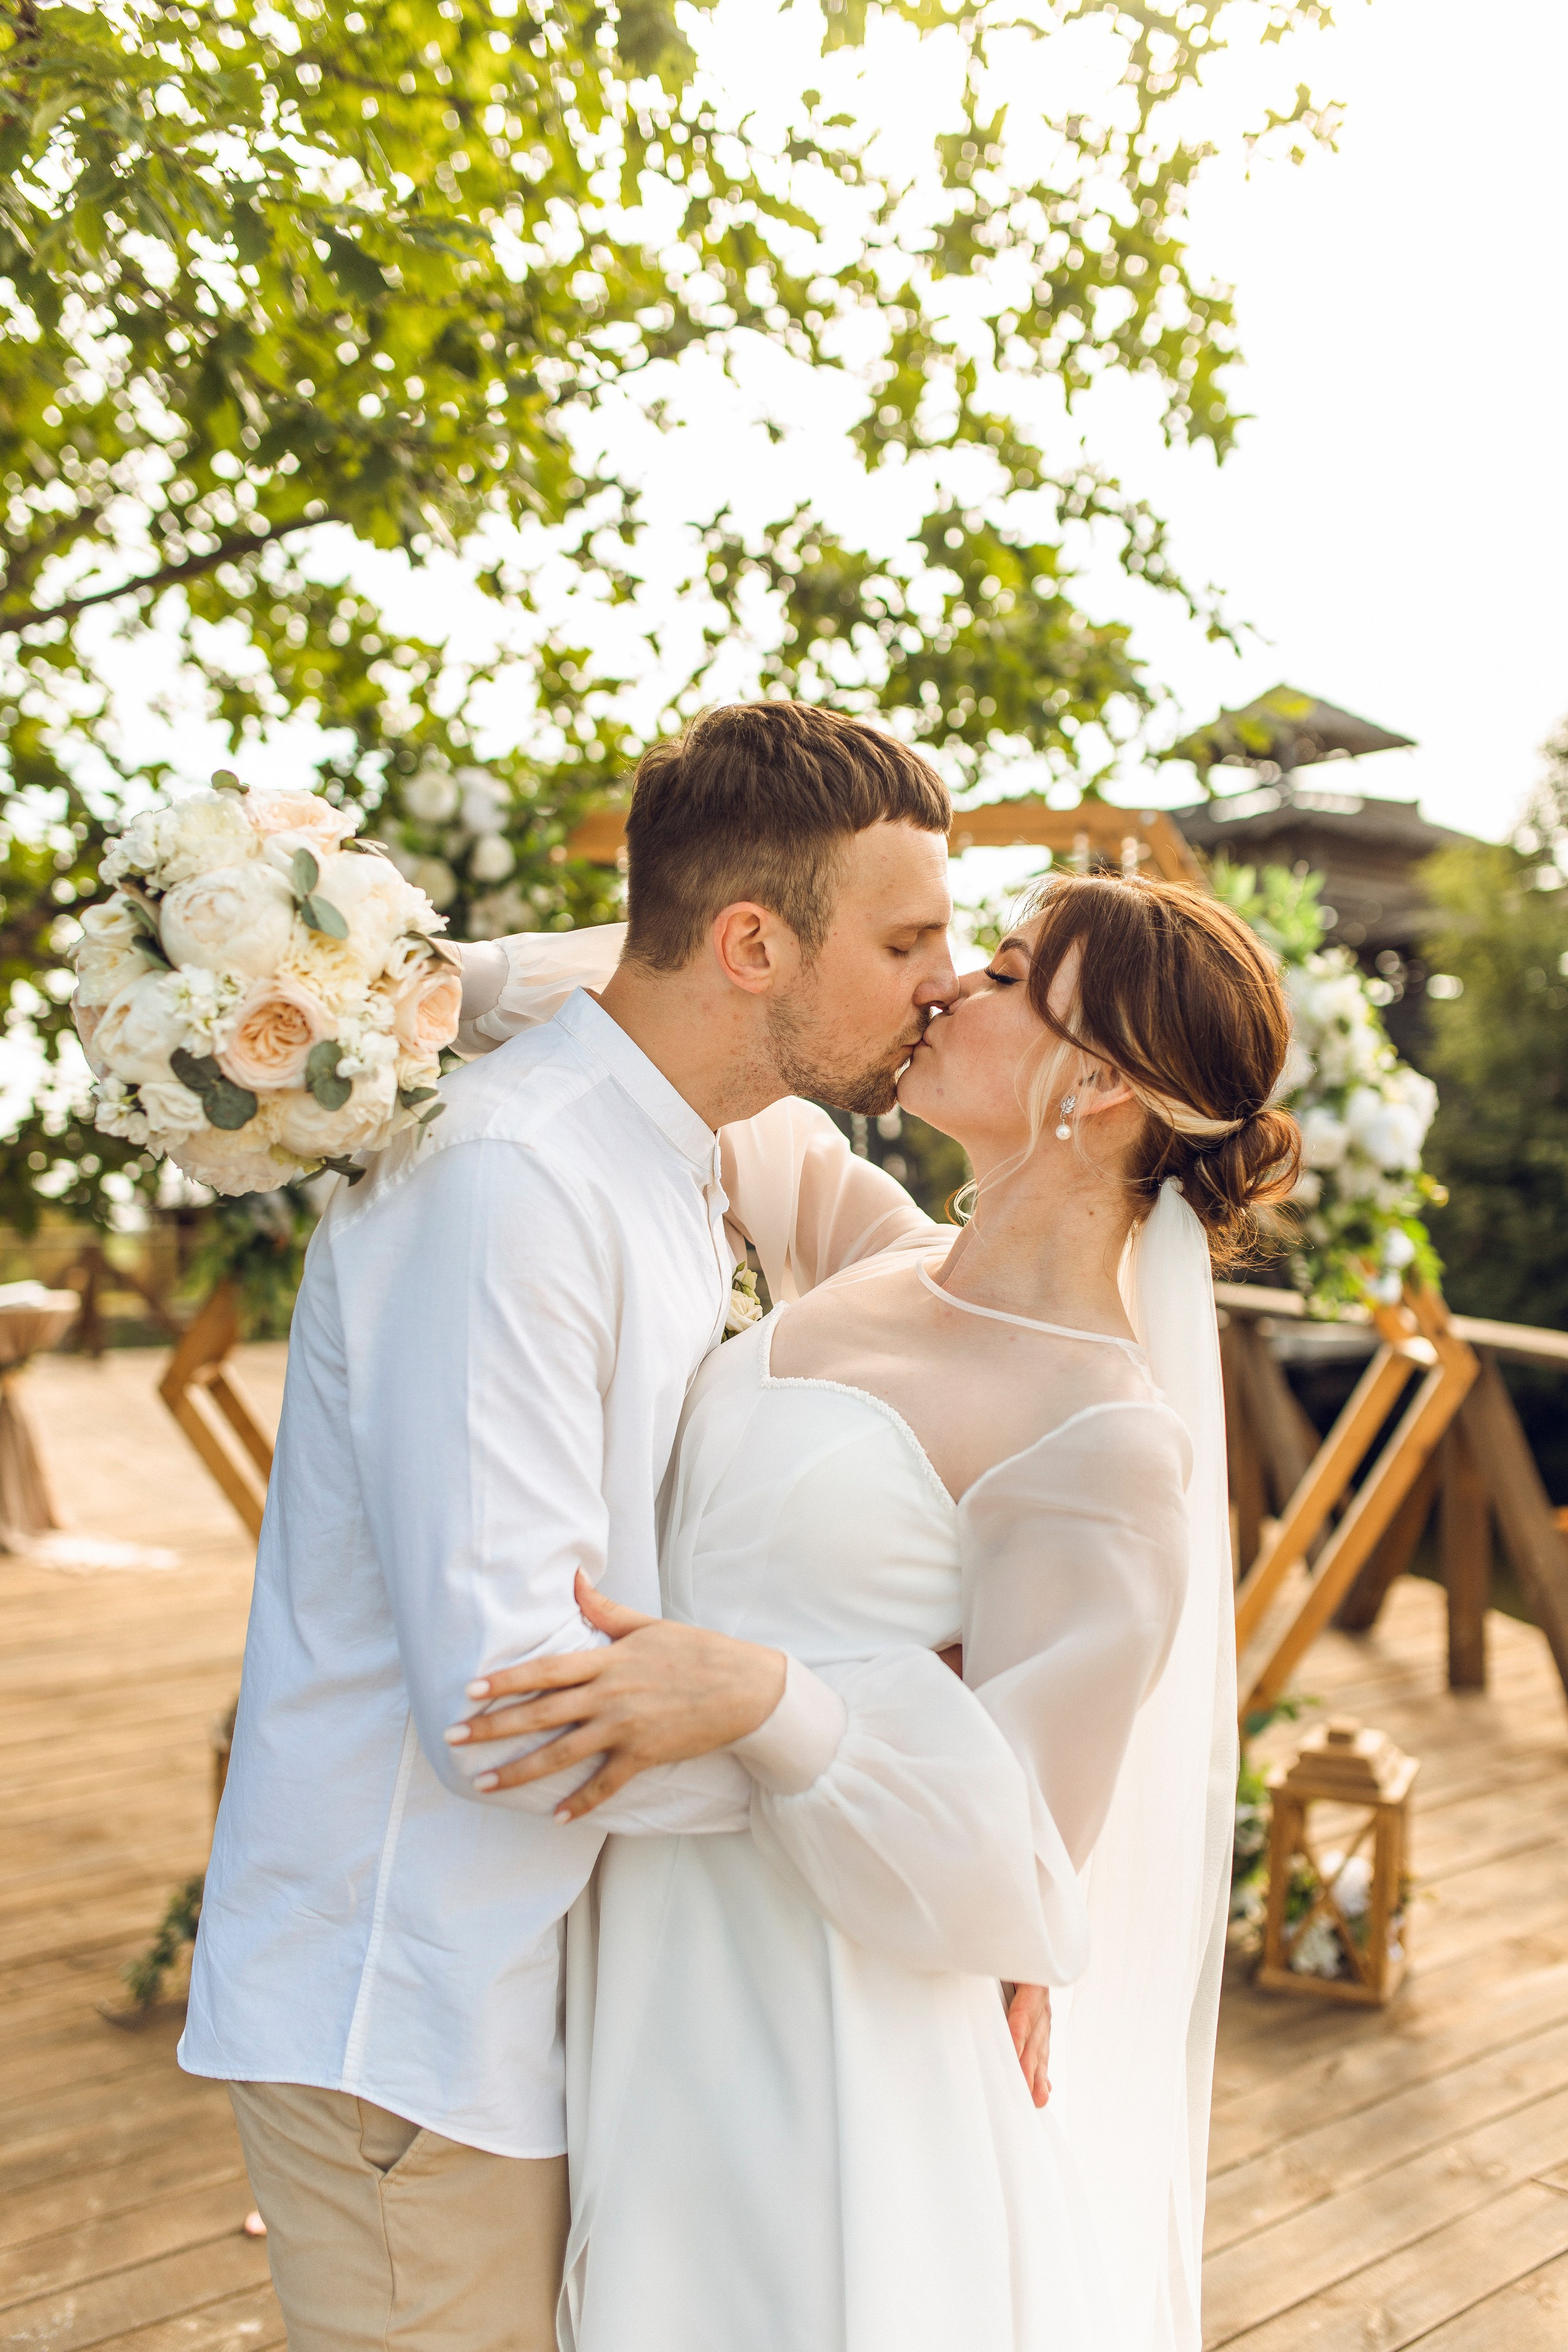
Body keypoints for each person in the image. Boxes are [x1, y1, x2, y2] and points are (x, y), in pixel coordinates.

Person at [181, 701, 1050, 2351]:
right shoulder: (510, 1183)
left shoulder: (676, 1156)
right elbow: (502, 1709)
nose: (946, 978)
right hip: (411, 2015)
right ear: (752, 948)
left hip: (535, 2007)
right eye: (909, 937)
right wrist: (857, 1771)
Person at [447, 870, 1301, 2351]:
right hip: (649, 1983)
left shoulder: (1100, 1439)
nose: (944, 982)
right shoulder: (871, 1248)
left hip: (827, 2050)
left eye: (1006, 971)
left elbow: (1019, 1864)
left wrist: (770, 1701)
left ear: (1092, 1080)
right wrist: (377, 966)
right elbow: (681, 997)